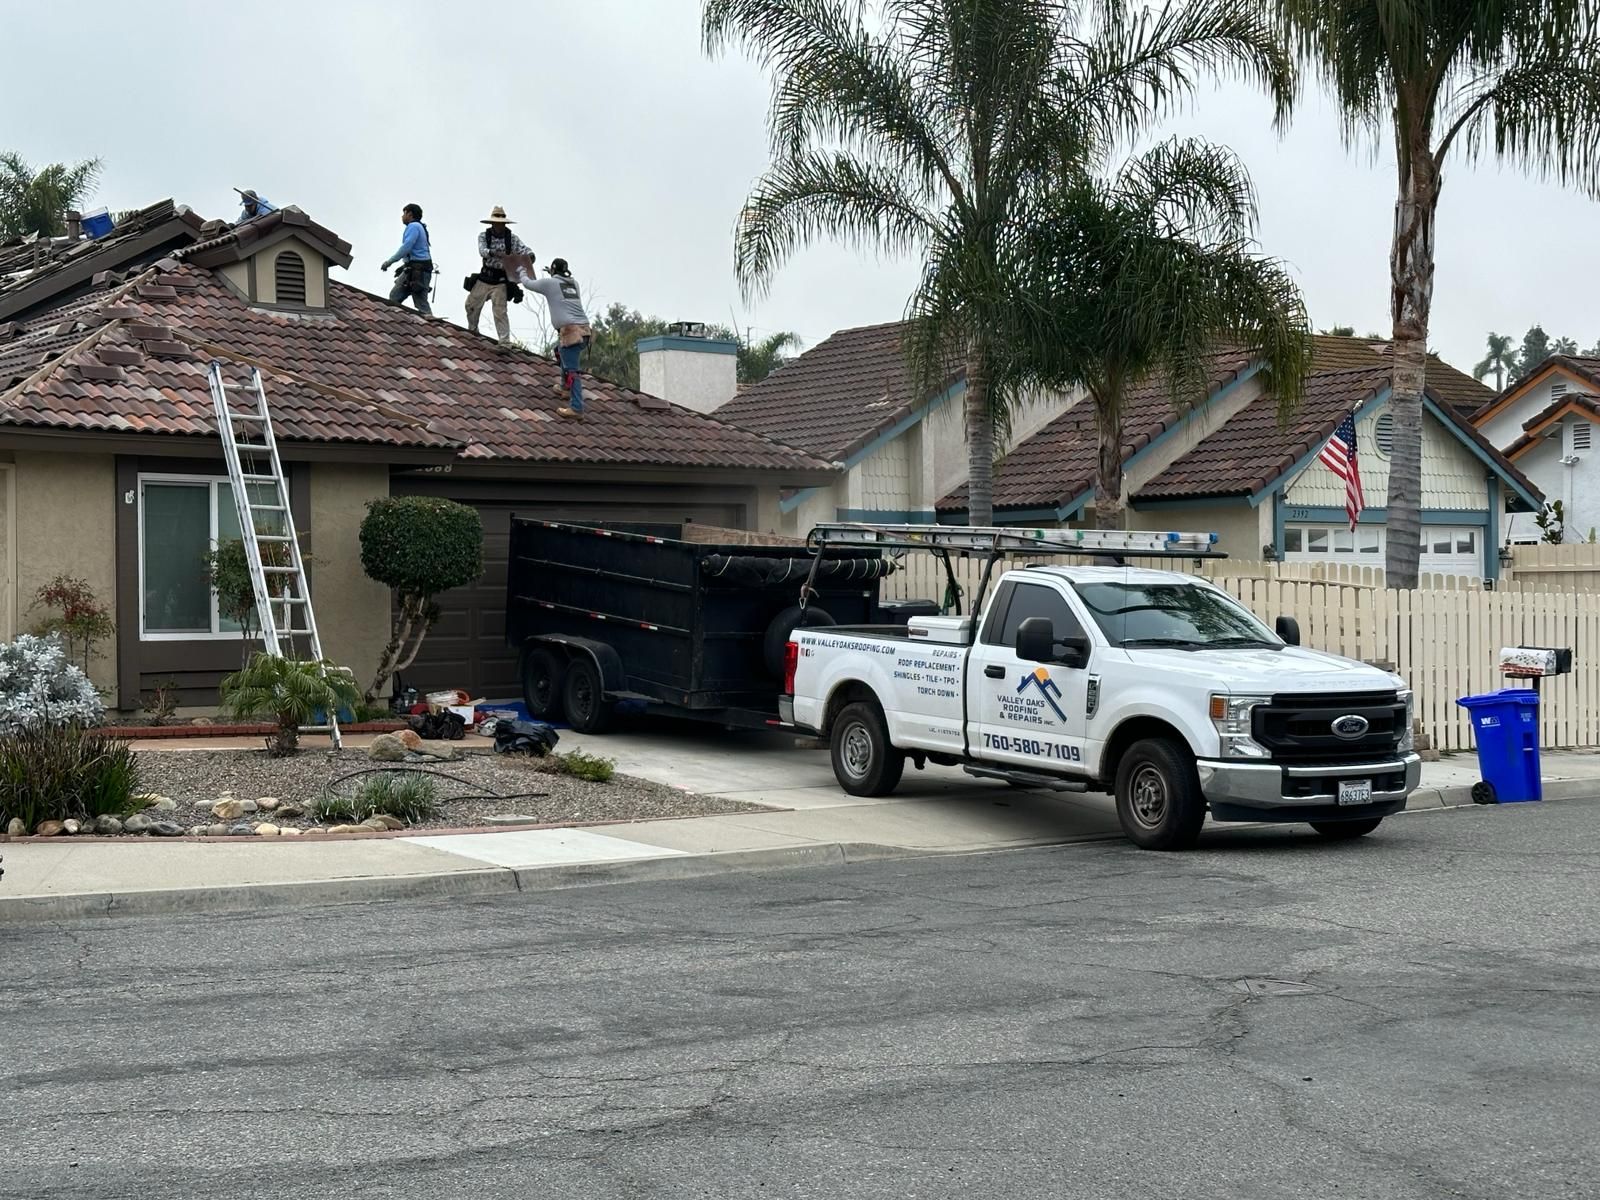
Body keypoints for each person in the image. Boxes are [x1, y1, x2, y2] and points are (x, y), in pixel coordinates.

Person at [522, 257, 592, 419]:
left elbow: (528, 283)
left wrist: (520, 272)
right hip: (585, 331)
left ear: (553, 271)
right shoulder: (574, 284)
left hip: (571, 333)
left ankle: (577, 407)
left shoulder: (550, 283)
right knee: (560, 351)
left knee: (572, 370)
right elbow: (560, 285)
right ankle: (564, 388)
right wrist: (553, 274)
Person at [467, 206, 535, 345]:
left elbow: (524, 249)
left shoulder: (512, 239)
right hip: (485, 277)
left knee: (500, 311)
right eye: (496, 223)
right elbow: (482, 250)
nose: (499, 226)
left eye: (501, 223)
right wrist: (493, 253)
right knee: (471, 305)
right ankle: (473, 332)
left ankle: (504, 342)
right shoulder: (484, 236)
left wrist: (530, 255)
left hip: (501, 280)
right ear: (492, 223)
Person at [381, 203, 433, 315]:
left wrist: (389, 262)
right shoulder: (419, 227)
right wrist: (404, 265)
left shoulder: (413, 226)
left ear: (410, 214)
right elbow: (415, 252)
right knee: (396, 296)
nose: (402, 216)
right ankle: (400, 323)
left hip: (418, 271)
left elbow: (407, 247)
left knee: (419, 302)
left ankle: (434, 328)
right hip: (416, 269)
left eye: (404, 213)